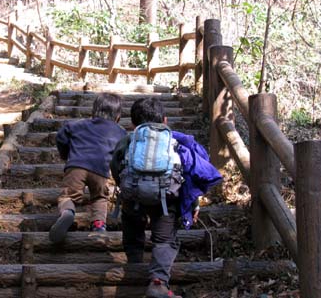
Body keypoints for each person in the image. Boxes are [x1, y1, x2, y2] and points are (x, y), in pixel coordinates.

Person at [110, 97, 222, 298]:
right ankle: (158, 282)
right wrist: (192, 203)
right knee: (165, 240)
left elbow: (115, 165)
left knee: (132, 225)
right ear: (165, 120)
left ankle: (135, 264)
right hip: (166, 198)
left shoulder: (129, 140)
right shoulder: (175, 141)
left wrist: (126, 188)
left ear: (133, 123)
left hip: (133, 196)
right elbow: (190, 175)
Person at [49, 92, 126, 244]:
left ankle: (67, 213)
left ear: (94, 110)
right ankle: (98, 227)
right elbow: (121, 153)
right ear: (117, 116)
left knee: (68, 196)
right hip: (101, 170)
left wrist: (66, 155)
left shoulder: (77, 125)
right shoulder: (120, 131)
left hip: (76, 165)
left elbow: (61, 136)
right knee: (99, 198)